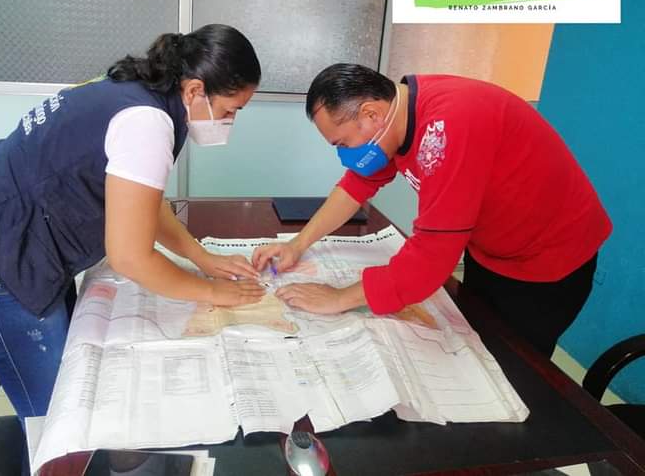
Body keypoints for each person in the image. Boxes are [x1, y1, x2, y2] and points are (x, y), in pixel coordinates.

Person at [0, 24, 265, 424]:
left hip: (9, 238)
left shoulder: (141, 92)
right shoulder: (146, 121)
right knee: (58, 419)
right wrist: (212, 292)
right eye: (230, 111)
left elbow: (142, 202)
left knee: (72, 386)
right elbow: (130, 258)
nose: (230, 121)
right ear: (195, 90)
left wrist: (201, 257)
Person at [252, 64, 611, 358]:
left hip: (549, 260)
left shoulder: (449, 125)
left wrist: (339, 298)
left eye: (343, 143)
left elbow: (432, 257)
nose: (343, 154)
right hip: (491, 250)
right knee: (476, 342)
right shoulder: (397, 118)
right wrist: (297, 244)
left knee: (515, 364)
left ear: (371, 113)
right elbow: (355, 185)